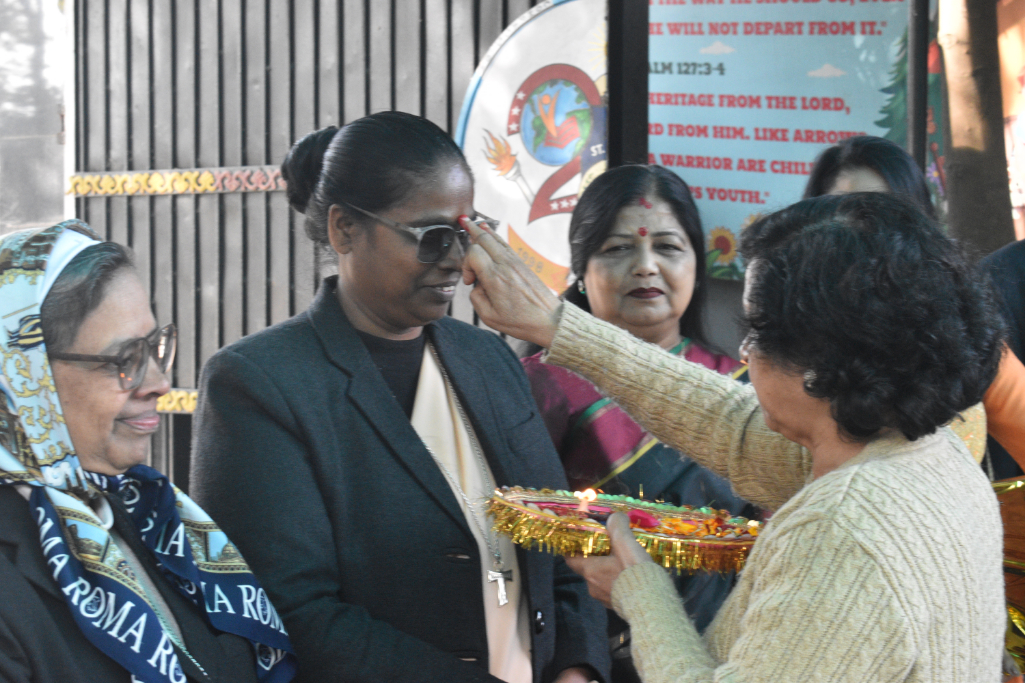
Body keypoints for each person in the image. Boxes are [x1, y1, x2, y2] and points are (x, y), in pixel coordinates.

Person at [459, 192, 1006, 682]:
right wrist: (557, 324)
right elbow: (729, 423)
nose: (744, 354)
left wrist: (641, 593)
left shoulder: (845, 526)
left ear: (821, 360)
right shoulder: (924, 453)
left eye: (756, 332)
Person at [188, 113, 610, 683]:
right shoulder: (260, 383)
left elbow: (565, 540)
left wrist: (578, 668)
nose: (457, 259)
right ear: (344, 230)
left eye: (467, 233)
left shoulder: (489, 360)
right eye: (432, 237)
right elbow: (294, 612)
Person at [0, 221, 295, 683]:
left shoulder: (147, 513)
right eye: (124, 361)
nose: (158, 383)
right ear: (25, 376)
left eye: (154, 348)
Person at [520, 166, 752, 677]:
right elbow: (524, 545)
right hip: (587, 660)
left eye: (667, 247)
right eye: (618, 249)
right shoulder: (537, 390)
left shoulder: (742, 388)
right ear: (581, 270)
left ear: (697, 264)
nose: (646, 266)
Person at [805, 134, 1023, 471]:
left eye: (888, 214)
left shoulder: (964, 328)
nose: (867, 233)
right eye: (847, 212)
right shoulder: (791, 325)